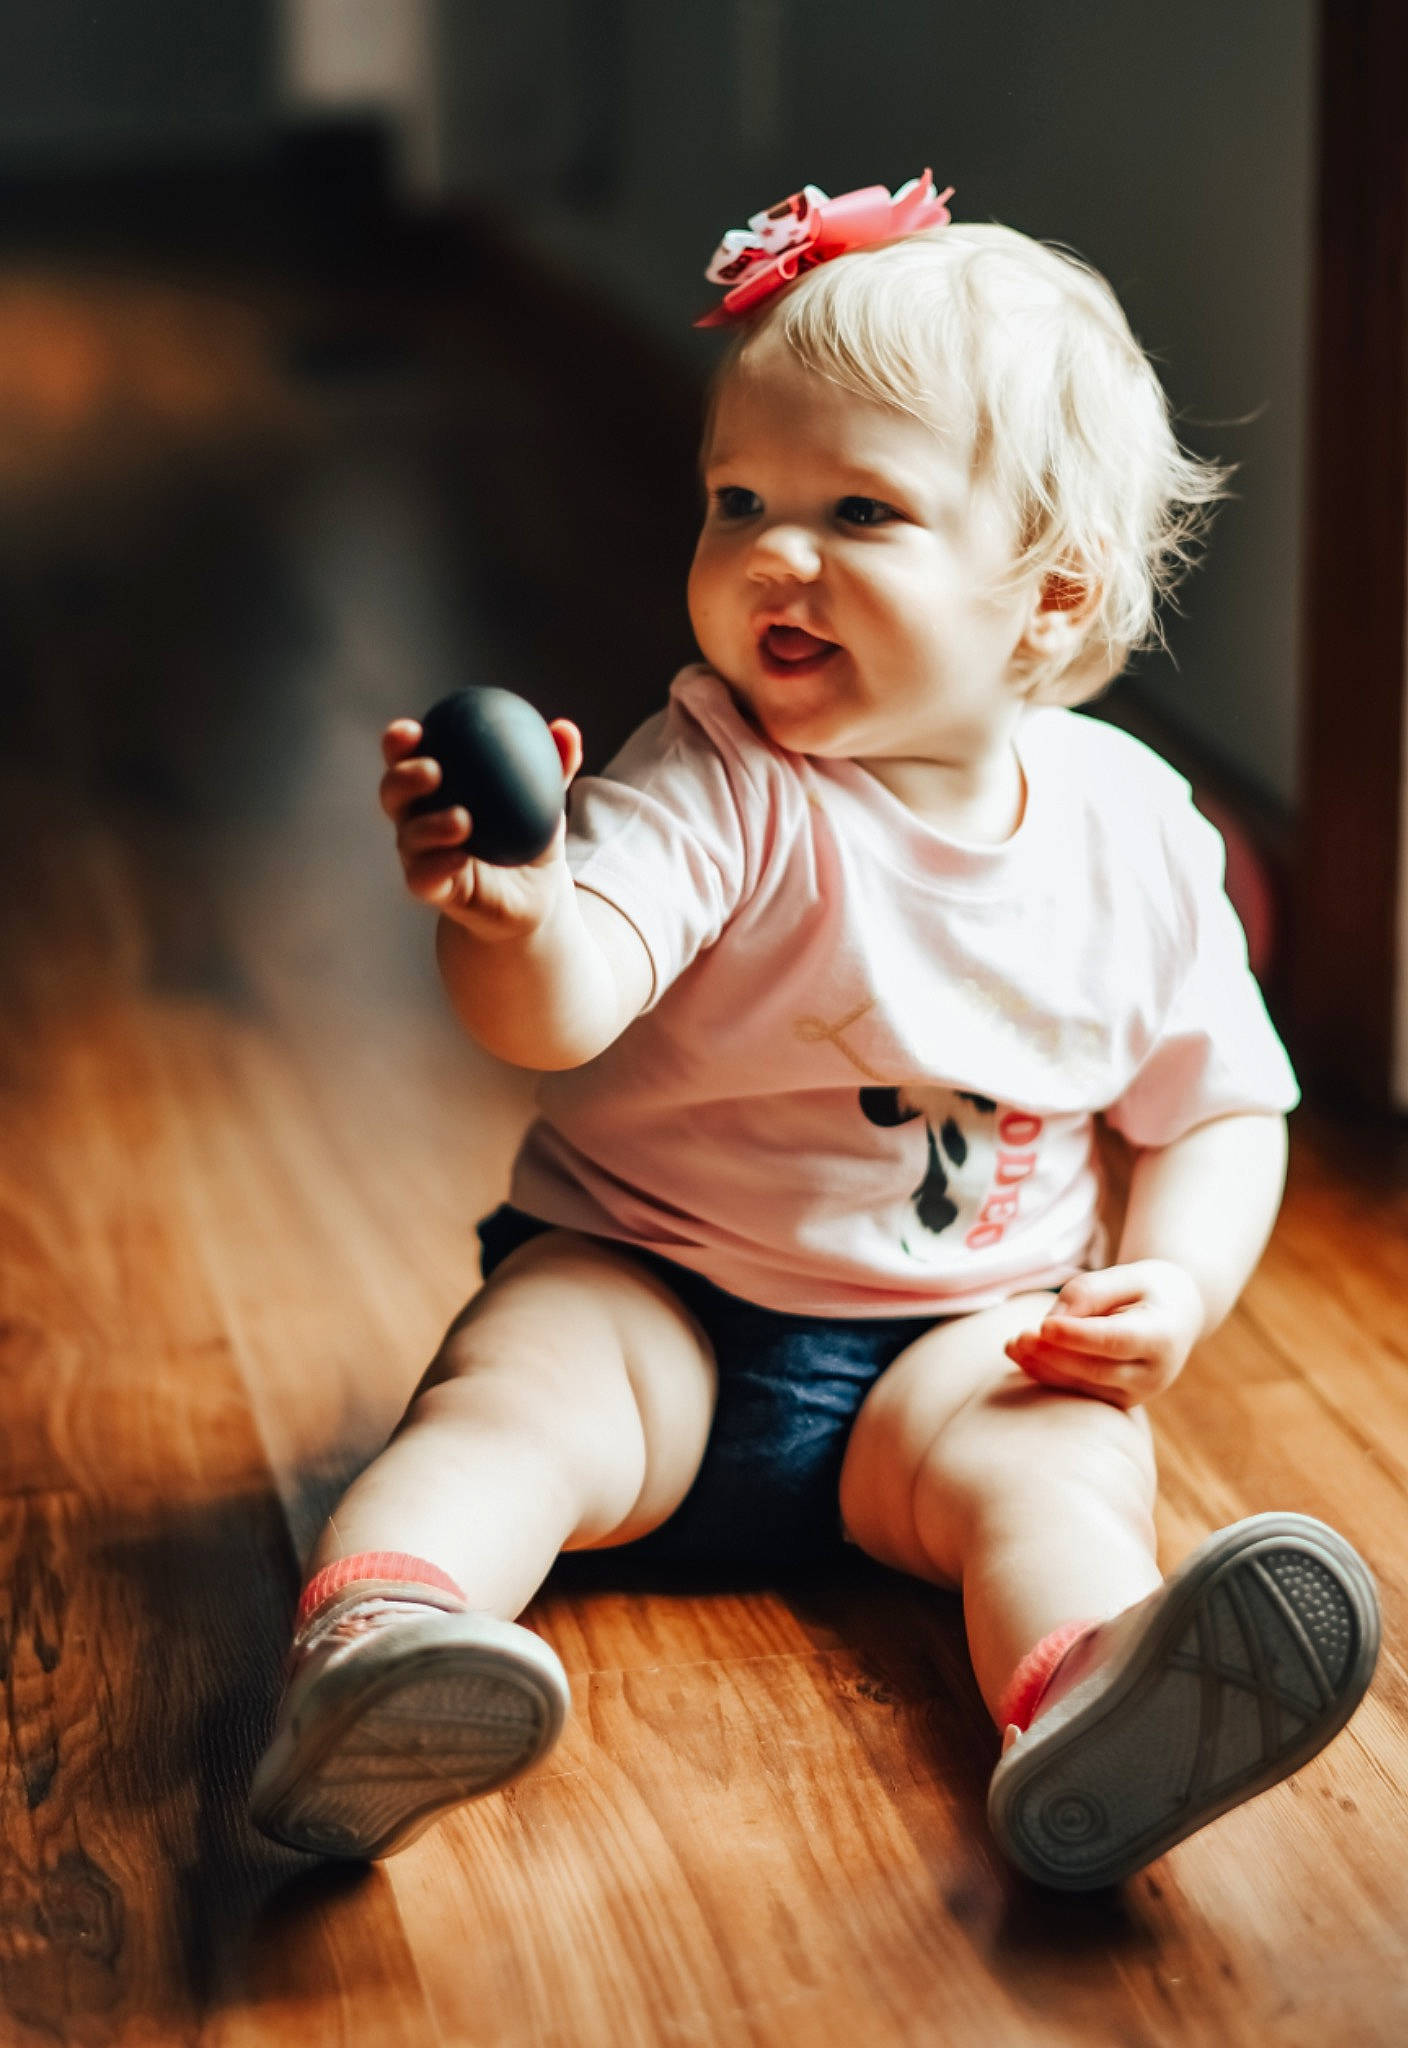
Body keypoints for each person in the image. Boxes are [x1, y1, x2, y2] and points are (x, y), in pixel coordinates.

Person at [248, 174, 1379, 1888]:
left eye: (860, 510)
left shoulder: (1141, 832)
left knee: (1060, 1475)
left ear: (1051, 599)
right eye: (736, 500)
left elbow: (1222, 1106)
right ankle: (381, 1647)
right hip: (663, 1296)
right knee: (511, 1406)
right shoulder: (720, 774)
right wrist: (517, 909)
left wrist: (1181, 1283)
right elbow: (564, 1009)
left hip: (958, 1342)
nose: (776, 552)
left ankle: (1093, 1705)